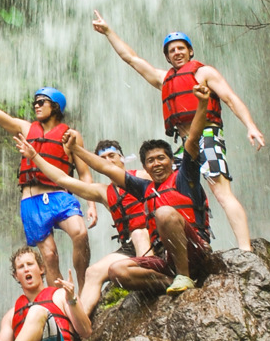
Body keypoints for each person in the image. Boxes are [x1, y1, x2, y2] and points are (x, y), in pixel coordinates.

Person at [92, 11, 263, 251]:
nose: (177, 52)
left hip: (207, 137)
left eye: (181, 48)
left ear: (190, 51)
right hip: (183, 144)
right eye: (172, 50)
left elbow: (230, 98)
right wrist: (109, 32)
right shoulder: (165, 79)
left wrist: (251, 126)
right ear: (167, 56)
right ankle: (186, 243)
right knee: (166, 187)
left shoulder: (204, 73)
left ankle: (245, 250)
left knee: (221, 190)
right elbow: (132, 59)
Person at [0, 69, 97, 289]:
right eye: (35, 101)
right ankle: (58, 303)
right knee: (50, 256)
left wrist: (91, 204)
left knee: (80, 233)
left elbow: (84, 173)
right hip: (31, 200)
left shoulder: (70, 135)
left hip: (60, 196)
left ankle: (84, 287)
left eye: (42, 101)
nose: (36, 105)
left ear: (56, 106)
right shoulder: (25, 128)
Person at [65, 84, 216, 295]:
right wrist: (75, 149)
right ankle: (169, 281)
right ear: (144, 167)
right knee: (117, 270)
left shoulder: (185, 177)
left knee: (163, 212)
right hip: (165, 258)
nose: (156, 164)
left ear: (172, 161)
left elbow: (192, 138)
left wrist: (202, 104)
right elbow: (105, 167)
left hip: (195, 251)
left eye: (161, 158)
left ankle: (186, 277)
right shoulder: (144, 187)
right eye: (150, 161)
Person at [12, 135, 153, 315]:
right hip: (130, 247)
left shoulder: (144, 175)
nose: (107, 161)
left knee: (140, 234)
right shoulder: (103, 192)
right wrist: (35, 157)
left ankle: (153, 279)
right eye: (102, 159)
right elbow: (63, 179)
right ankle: (79, 326)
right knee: (92, 273)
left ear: (122, 158)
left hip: (153, 237)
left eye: (112, 156)